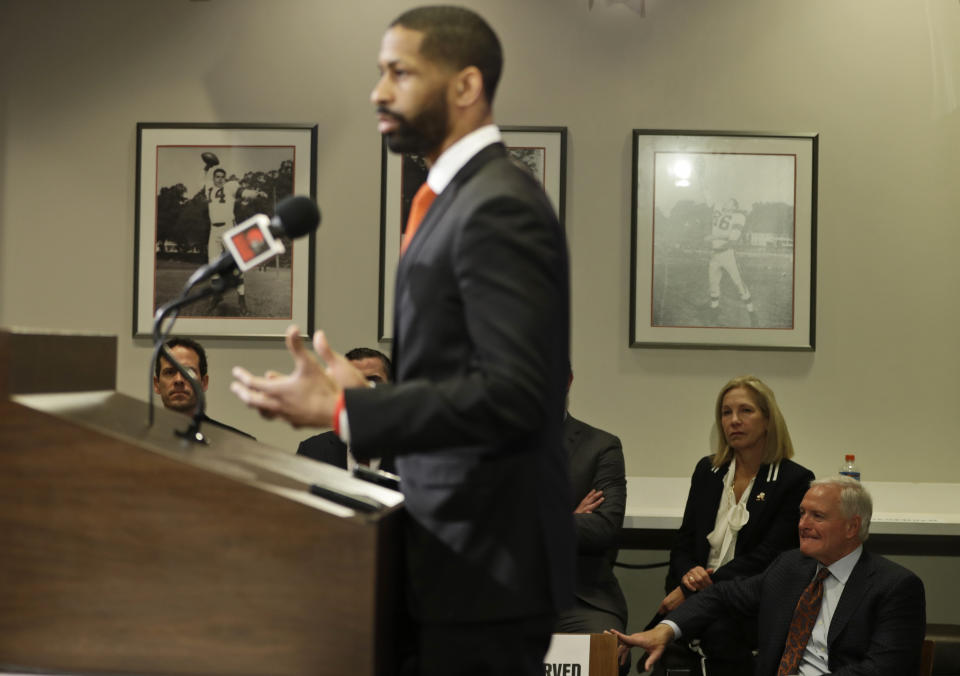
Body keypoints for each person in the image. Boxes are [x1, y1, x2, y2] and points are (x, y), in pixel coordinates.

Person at [230, 6, 573, 675]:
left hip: (487, 564)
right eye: (380, 73)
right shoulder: (454, 197)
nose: (378, 91)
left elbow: (517, 395)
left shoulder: (498, 202)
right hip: (451, 558)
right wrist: (368, 399)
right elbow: (464, 377)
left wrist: (347, 413)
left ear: (465, 86)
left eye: (400, 73)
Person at [610, 477, 927, 676]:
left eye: (817, 516)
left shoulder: (895, 587)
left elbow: (883, 670)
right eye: (802, 513)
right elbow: (721, 595)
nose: (803, 524)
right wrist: (666, 630)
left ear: (851, 527)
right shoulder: (791, 567)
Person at [649, 375, 813, 675]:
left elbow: (769, 557)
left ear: (767, 419)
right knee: (636, 646)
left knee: (714, 633)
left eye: (745, 411)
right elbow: (684, 542)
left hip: (749, 600)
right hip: (693, 593)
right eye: (726, 412)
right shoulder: (708, 471)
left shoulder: (794, 480)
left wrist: (693, 592)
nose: (734, 420)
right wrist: (687, 577)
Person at [558, 370, 630, 675]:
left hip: (582, 600)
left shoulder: (601, 446)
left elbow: (603, 528)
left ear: (568, 380)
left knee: (604, 652)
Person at [296, 347, 396, 474]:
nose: (362, 392)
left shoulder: (417, 455)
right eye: (352, 384)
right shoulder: (311, 452)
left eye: (372, 382)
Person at [200, 158, 266, 316]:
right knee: (213, 266)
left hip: (228, 229)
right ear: (214, 178)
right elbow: (205, 178)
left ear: (226, 178)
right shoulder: (209, 187)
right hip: (213, 231)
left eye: (223, 176)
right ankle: (217, 296)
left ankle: (242, 301)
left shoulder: (230, 187)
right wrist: (207, 167)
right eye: (217, 176)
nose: (220, 179)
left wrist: (256, 193)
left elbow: (244, 193)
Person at [154, 336, 253, 438]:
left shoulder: (238, 442)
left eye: (188, 372)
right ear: (156, 384)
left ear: (204, 383)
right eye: (170, 372)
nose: (178, 380)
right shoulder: (140, 439)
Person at [706, 198, 756, 327]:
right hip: (714, 255)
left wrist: (715, 237)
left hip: (727, 254)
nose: (725, 202)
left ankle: (752, 313)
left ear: (734, 206)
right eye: (725, 200)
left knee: (739, 284)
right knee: (713, 285)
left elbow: (732, 240)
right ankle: (714, 311)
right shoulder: (718, 212)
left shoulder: (739, 217)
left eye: (729, 202)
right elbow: (708, 197)